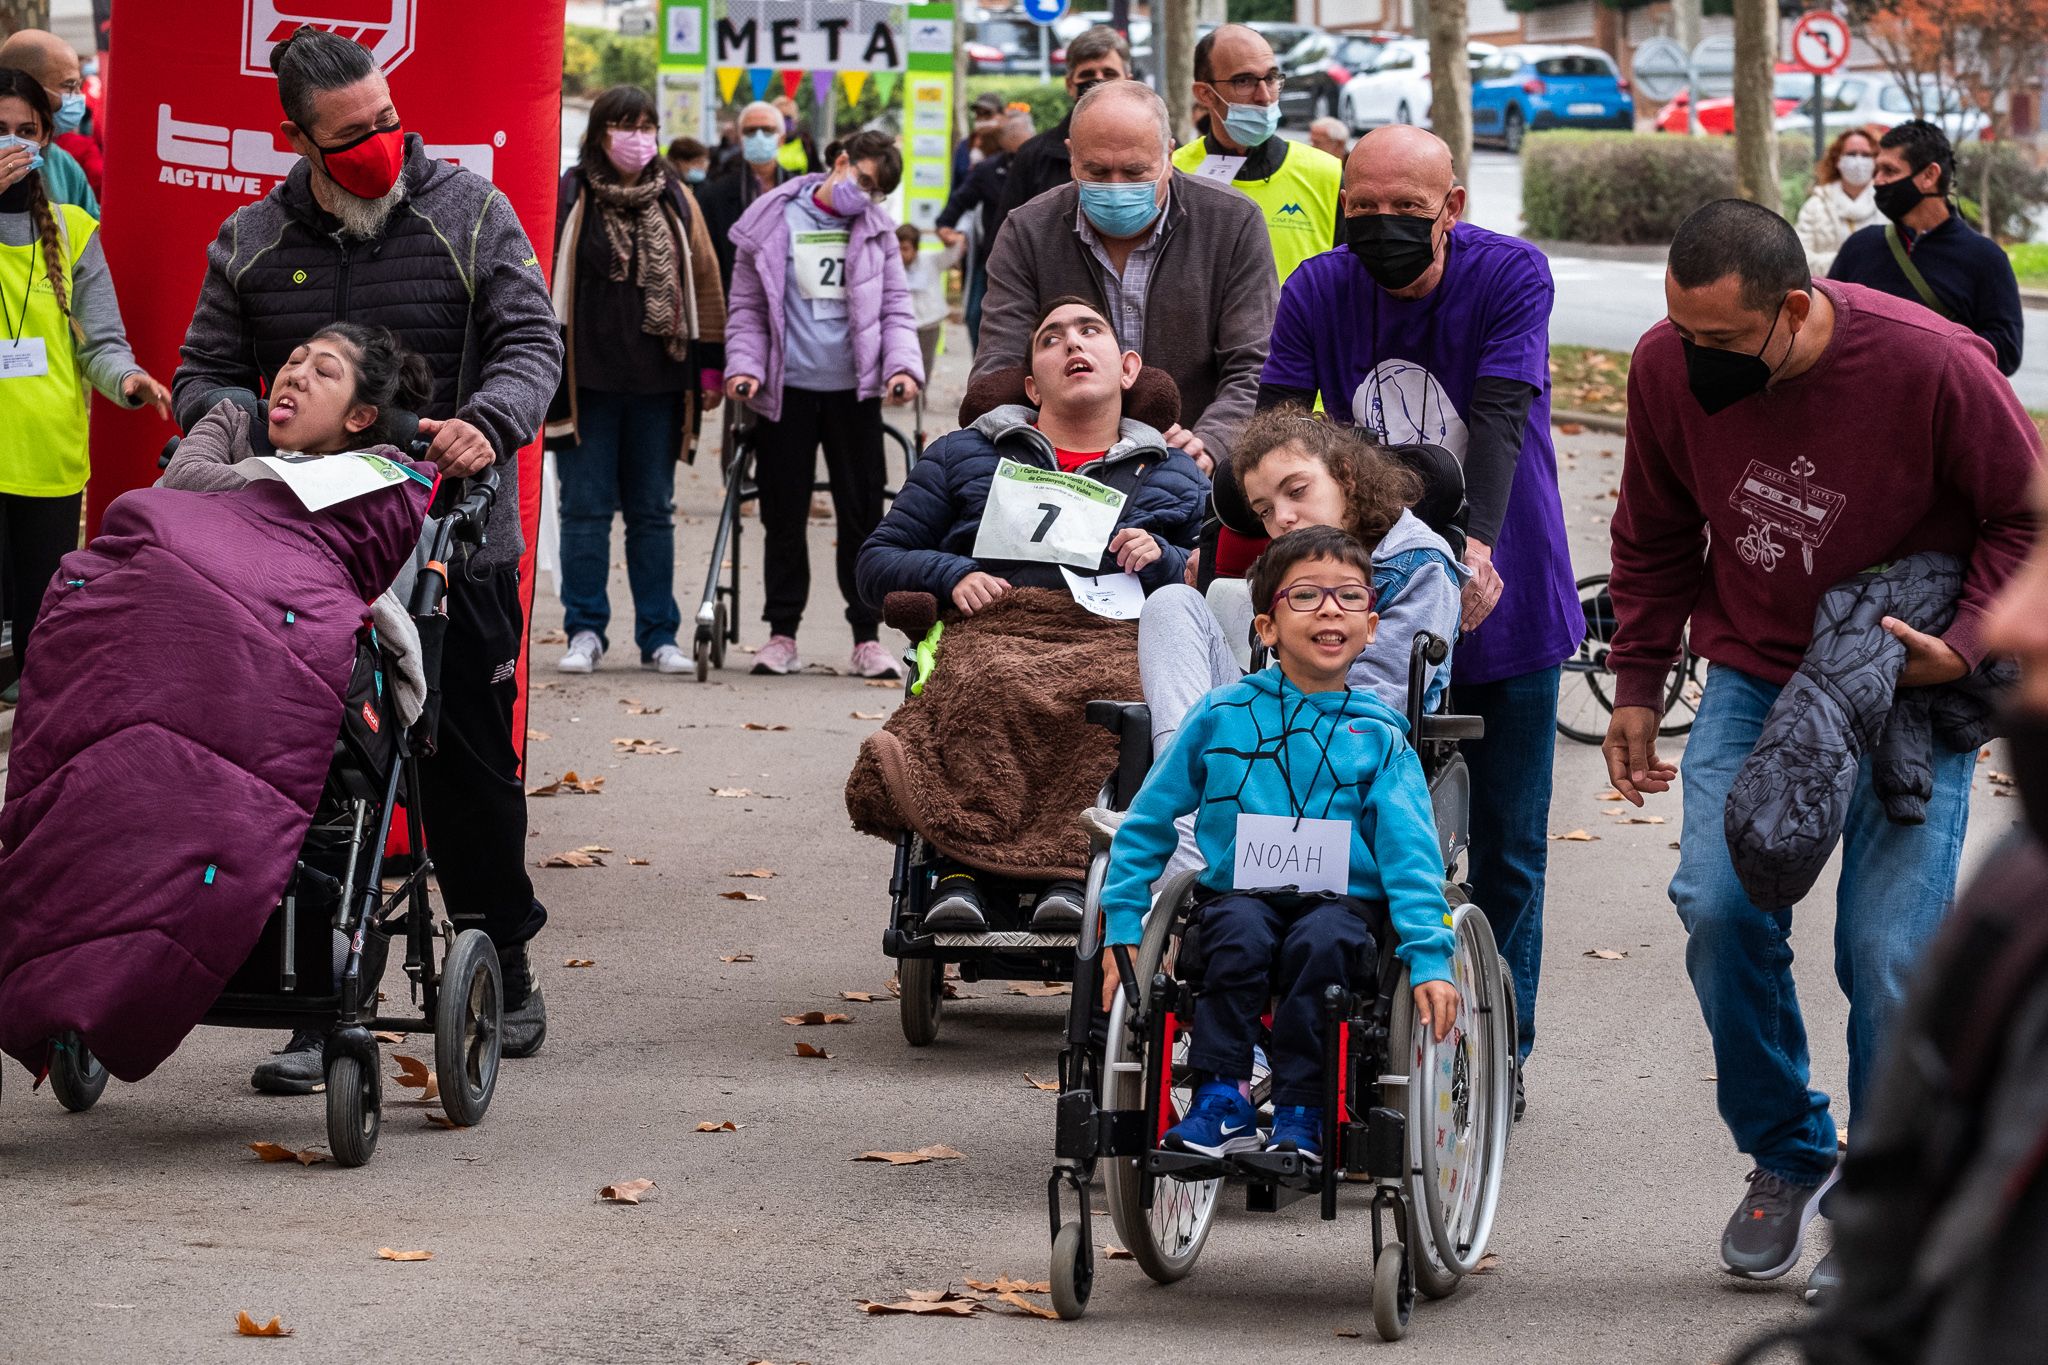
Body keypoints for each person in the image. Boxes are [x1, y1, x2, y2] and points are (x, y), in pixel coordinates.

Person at [1602, 198, 2038, 1299]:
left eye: (1715, 343)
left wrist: (1960, 641)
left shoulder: (1933, 364)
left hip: (1899, 681)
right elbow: (1652, 532)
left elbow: (2024, 518)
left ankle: (1879, 1209)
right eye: (1677, 332)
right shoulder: (1666, 366)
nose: (1685, 360)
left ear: (1790, 310)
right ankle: (1788, 1151)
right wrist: (1638, 686)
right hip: (1753, 673)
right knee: (1715, 904)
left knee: (1886, 951)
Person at [172, 25, 563, 1086]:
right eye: (349, 135)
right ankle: (318, 984)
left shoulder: (470, 211)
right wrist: (255, 422)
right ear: (293, 136)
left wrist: (492, 417)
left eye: (387, 120)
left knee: (468, 759)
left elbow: (534, 340)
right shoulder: (252, 238)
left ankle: (500, 956)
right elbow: (201, 371)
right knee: (305, 764)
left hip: (451, 542)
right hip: (297, 551)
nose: (380, 144)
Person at [1251, 124, 1581, 1106]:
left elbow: (1496, 415)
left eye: (1407, 209)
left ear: (1452, 207)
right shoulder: (1317, 287)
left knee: (1509, 852)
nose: (1382, 225)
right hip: (1362, 610)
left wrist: (1469, 545)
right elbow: (1278, 421)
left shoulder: (1508, 275)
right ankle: (1329, 1033)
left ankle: (1498, 1054)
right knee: (1339, 829)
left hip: (1503, 599)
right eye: (1364, 208)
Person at [1097, 523, 1460, 1164]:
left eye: (1350, 597)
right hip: (1239, 895)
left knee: (1323, 944)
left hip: (1343, 906)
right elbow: (1150, 819)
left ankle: (1305, 1108)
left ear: (1371, 628)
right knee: (1234, 935)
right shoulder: (1222, 714)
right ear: (1265, 627)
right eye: (1307, 596)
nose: (1330, 609)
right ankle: (1222, 1099)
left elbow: (1411, 858)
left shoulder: (1381, 737)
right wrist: (1123, 924)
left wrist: (1430, 958)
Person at [856, 296, 1208, 928]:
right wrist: (952, 572)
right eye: (1051, 338)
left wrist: (1163, 556)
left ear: (1127, 369)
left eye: (1089, 331)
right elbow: (876, 560)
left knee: (1123, 694)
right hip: (997, 628)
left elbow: (1215, 582)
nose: (1072, 345)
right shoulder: (961, 455)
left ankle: (1071, 869)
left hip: (1115, 635)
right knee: (986, 677)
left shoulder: (1178, 475)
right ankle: (963, 870)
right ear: (1029, 384)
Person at [976, 80, 1277, 478]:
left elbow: (1255, 366)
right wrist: (1038, 449)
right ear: (1071, 157)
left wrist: (1209, 446)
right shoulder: (1027, 232)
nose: (1116, 187)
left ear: (1169, 155)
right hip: (1059, 473)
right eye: (1096, 171)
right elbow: (999, 369)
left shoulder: (1233, 223)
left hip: (1196, 472)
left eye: (1135, 171)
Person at [1139, 408, 1463, 762]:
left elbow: (1369, 712)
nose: (1281, 519)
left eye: (1296, 491)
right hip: (1262, 733)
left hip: (1342, 759)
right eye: (1264, 511)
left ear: (1345, 477)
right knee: (1172, 601)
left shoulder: (1420, 567)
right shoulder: (1285, 567)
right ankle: (1179, 802)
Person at [723, 129, 923, 680]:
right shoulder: (772, 219)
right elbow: (746, 309)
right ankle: (781, 633)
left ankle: (865, 636)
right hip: (784, 392)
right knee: (782, 513)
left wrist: (903, 367)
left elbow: (896, 311)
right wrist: (744, 367)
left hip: (852, 393)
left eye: (877, 191)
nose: (865, 195)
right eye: (861, 179)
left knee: (861, 516)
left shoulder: (877, 233)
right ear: (839, 161)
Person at [0, 71, 170, 708]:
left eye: (26, 132)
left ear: (48, 140)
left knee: (39, 636)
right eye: (0, 130)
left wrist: (129, 380)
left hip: (48, 460)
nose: (11, 144)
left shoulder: (73, 229)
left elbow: (100, 343)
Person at [547, 85, 727, 677]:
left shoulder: (674, 196)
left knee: (653, 511)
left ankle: (659, 636)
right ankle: (585, 631)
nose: (639, 138)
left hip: (659, 383)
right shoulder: (570, 193)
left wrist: (710, 367)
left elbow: (704, 275)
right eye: (627, 125)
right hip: (586, 382)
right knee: (586, 510)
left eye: (648, 126)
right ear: (600, 132)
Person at [1829, 119, 2023, 377]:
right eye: (1877, 171)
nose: (1877, 181)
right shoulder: (1860, 246)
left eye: (1889, 171)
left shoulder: (1985, 257)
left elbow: (2007, 351)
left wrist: (1926, 351)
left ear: (1929, 176)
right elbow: (1827, 325)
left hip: (1941, 411)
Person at [160, 324, 431, 489]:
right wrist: (305, 493)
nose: (296, 376)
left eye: (323, 372)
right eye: (294, 360)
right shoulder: (230, 422)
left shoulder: (379, 470)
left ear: (359, 416)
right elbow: (183, 476)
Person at [1173, 24, 1342, 287]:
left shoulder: (1327, 173)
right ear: (1205, 93)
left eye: (1271, 78)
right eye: (1244, 81)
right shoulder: (1174, 173)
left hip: (1302, 329)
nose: (1264, 96)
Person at [987, 25, 1132, 255]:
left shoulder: (1161, 149)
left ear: (1129, 80)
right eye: (1087, 75)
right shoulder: (1033, 156)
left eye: (1109, 74)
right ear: (1069, 84)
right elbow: (1004, 243)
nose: (1098, 82)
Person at [936, 107, 1032, 350]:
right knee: (976, 316)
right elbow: (958, 202)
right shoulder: (988, 169)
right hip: (991, 257)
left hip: (1035, 258)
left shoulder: (1045, 165)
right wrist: (944, 226)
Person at [698, 100, 797, 291]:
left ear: (781, 139)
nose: (759, 137)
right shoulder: (713, 197)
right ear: (740, 139)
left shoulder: (800, 191)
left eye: (767, 130)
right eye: (750, 131)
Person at [0, 30, 96, 214]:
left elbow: (94, 231)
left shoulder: (63, 164)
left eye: (27, 131)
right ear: (26, 85)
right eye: (69, 86)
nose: (77, 96)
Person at [1793, 126, 1879, 276]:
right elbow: (1797, 259)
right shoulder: (1815, 206)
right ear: (1837, 160)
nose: (1859, 161)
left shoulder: (1887, 206)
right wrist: (1846, 261)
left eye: (1866, 155)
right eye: (1851, 154)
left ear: (1876, 161)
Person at [898, 222, 965, 382]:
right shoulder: (892, 265)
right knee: (902, 362)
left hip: (929, 323)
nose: (901, 254)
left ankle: (920, 400)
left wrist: (950, 239)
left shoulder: (930, 260)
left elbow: (952, 254)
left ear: (915, 249)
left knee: (924, 364)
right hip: (904, 324)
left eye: (905, 249)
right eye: (897, 248)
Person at [954, 90, 1004, 189]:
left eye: (987, 113)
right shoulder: (965, 145)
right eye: (978, 113)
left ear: (999, 116)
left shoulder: (1005, 146)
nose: (982, 118)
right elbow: (957, 183)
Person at [772, 94, 821, 175]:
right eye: (779, 117)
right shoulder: (766, 141)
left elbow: (817, 171)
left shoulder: (805, 141)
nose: (783, 121)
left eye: (788, 117)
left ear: (796, 119)